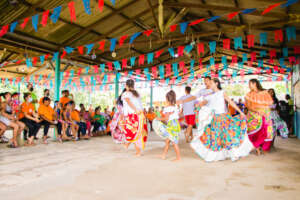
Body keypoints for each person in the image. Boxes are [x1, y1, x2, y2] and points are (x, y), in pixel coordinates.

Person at [190, 78, 253, 162]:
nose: (209, 84)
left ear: (216, 83)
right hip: (215, 120)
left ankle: (234, 155)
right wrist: (197, 107)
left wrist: (240, 112)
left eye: (211, 83)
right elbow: (200, 104)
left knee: (228, 136)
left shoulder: (221, 93)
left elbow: (231, 102)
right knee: (215, 138)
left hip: (224, 118)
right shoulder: (209, 96)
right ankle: (212, 156)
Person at [245, 79, 274, 155]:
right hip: (253, 115)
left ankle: (263, 148)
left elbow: (268, 105)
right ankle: (257, 147)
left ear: (254, 83)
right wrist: (256, 111)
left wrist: (266, 114)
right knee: (253, 131)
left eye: (250, 84)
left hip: (264, 114)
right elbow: (248, 106)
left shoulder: (264, 93)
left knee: (266, 131)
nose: (249, 86)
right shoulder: (249, 95)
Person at [120, 79, 147, 156]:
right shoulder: (136, 93)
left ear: (126, 86)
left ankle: (137, 151)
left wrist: (135, 110)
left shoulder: (126, 93)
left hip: (133, 115)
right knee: (134, 131)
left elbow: (128, 102)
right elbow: (140, 104)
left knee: (133, 132)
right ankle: (128, 144)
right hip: (139, 114)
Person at [153, 90, 181, 161]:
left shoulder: (167, 108)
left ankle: (178, 158)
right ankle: (163, 155)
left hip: (171, 126)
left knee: (174, 143)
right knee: (167, 141)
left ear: (168, 99)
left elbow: (166, 118)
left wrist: (158, 118)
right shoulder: (175, 107)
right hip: (175, 125)